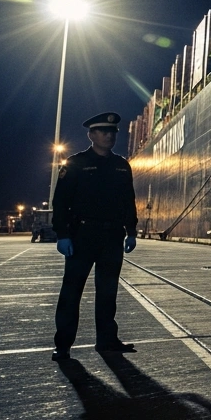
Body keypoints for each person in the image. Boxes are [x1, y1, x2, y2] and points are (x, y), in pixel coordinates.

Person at [51, 113, 139, 361]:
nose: (109, 135)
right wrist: (62, 235)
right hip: (82, 235)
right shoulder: (75, 163)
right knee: (71, 292)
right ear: (91, 135)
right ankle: (63, 345)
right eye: (103, 131)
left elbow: (128, 202)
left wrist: (131, 231)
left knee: (108, 291)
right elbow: (61, 202)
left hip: (112, 235)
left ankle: (107, 341)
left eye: (112, 132)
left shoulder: (122, 165)